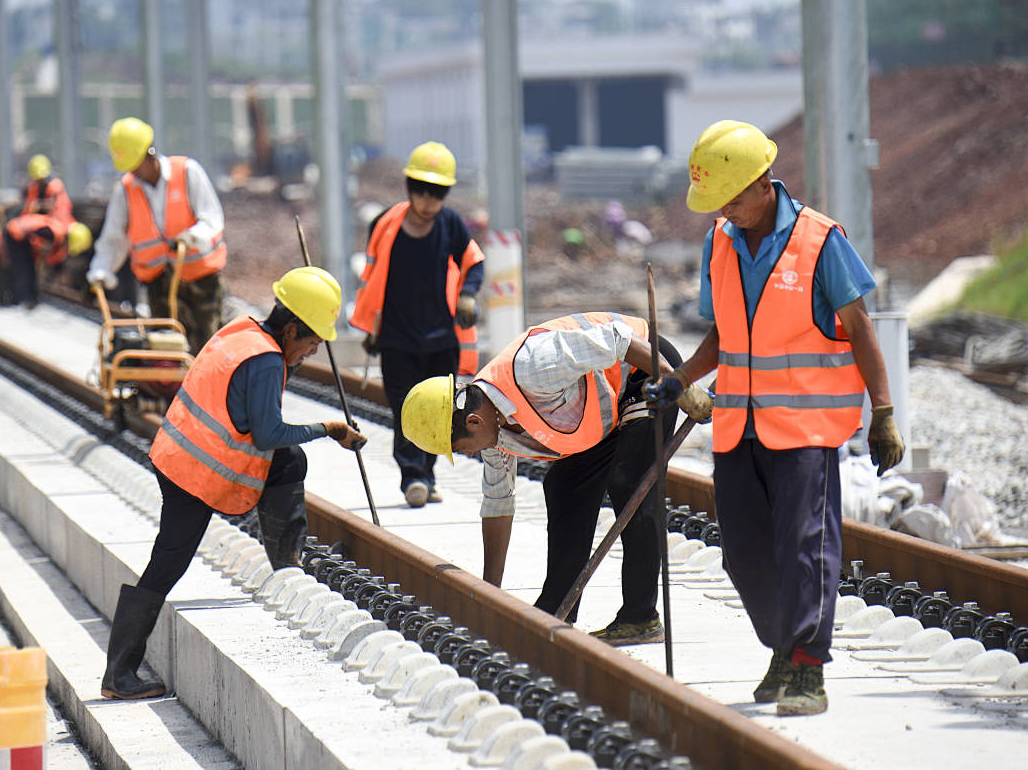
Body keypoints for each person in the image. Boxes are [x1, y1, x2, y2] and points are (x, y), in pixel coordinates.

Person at [647, 120, 905, 716]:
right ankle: (784, 647)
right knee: (742, 553)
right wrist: (682, 378)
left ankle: (807, 667)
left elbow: (860, 328)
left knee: (805, 547)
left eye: (734, 198)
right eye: (718, 204)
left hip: (806, 431)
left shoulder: (821, 241)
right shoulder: (721, 242)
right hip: (740, 425)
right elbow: (725, 333)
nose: (728, 212)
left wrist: (883, 410)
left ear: (764, 183)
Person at [100, 266, 367, 700]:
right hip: (195, 472)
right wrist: (328, 429)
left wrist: (291, 365)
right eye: (312, 342)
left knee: (287, 462)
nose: (314, 351)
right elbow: (267, 434)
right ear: (292, 328)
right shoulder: (265, 360)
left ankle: (287, 562)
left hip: (177, 452)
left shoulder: (243, 332)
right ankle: (120, 673)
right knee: (168, 562)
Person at [400, 312, 713, 645]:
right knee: (564, 485)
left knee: (630, 480)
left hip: (645, 371)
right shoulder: (493, 433)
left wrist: (679, 386)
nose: (466, 455)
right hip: (606, 412)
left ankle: (640, 617)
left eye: (460, 449)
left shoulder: (533, 367)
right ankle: (558, 610)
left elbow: (618, 340)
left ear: (474, 422)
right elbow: (498, 504)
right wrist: (491, 595)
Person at [349, 141, 485, 508]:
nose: (427, 201)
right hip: (396, 338)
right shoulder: (385, 225)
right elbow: (375, 280)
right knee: (405, 408)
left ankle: (427, 472)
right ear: (409, 187)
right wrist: (371, 329)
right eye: (421, 192)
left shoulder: (451, 225)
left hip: (441, 338)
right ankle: (413, 476)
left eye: (436, 194)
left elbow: (474, 262)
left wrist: (469, 295)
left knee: (440, 410)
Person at [86, 117, 227, 353]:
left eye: (136, 163)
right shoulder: (126, 190)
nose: (134, 171)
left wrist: (192, 237)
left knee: (207, 349)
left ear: (150, 153)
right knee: (166, 351)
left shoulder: (187, 172)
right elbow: (114, 240)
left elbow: (212, 219)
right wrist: (101, 271)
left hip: (200, 281)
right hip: (159, 285)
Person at [4, 154, 75, 308]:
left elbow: (53, 208)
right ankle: (26, 297)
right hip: (31, 232)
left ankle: (30, 295)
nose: (40, 182)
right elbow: (27, 208)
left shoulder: (55, 186)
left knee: (54, 262)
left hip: (54, 229)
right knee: (25, 264)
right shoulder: (33, 188)